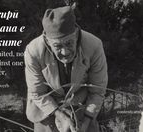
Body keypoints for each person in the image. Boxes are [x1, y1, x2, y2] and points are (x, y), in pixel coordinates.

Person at [24, 3, 108, 132]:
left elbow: (97, 91)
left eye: (69, 43)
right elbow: (38, 93)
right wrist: (60, 116)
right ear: (47, 40)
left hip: (81, 105)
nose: (65, 52)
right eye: (57, 46)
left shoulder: (94, 45)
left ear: (76, 33)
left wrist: (84, 124)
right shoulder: (33, 51)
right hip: (45, 107)